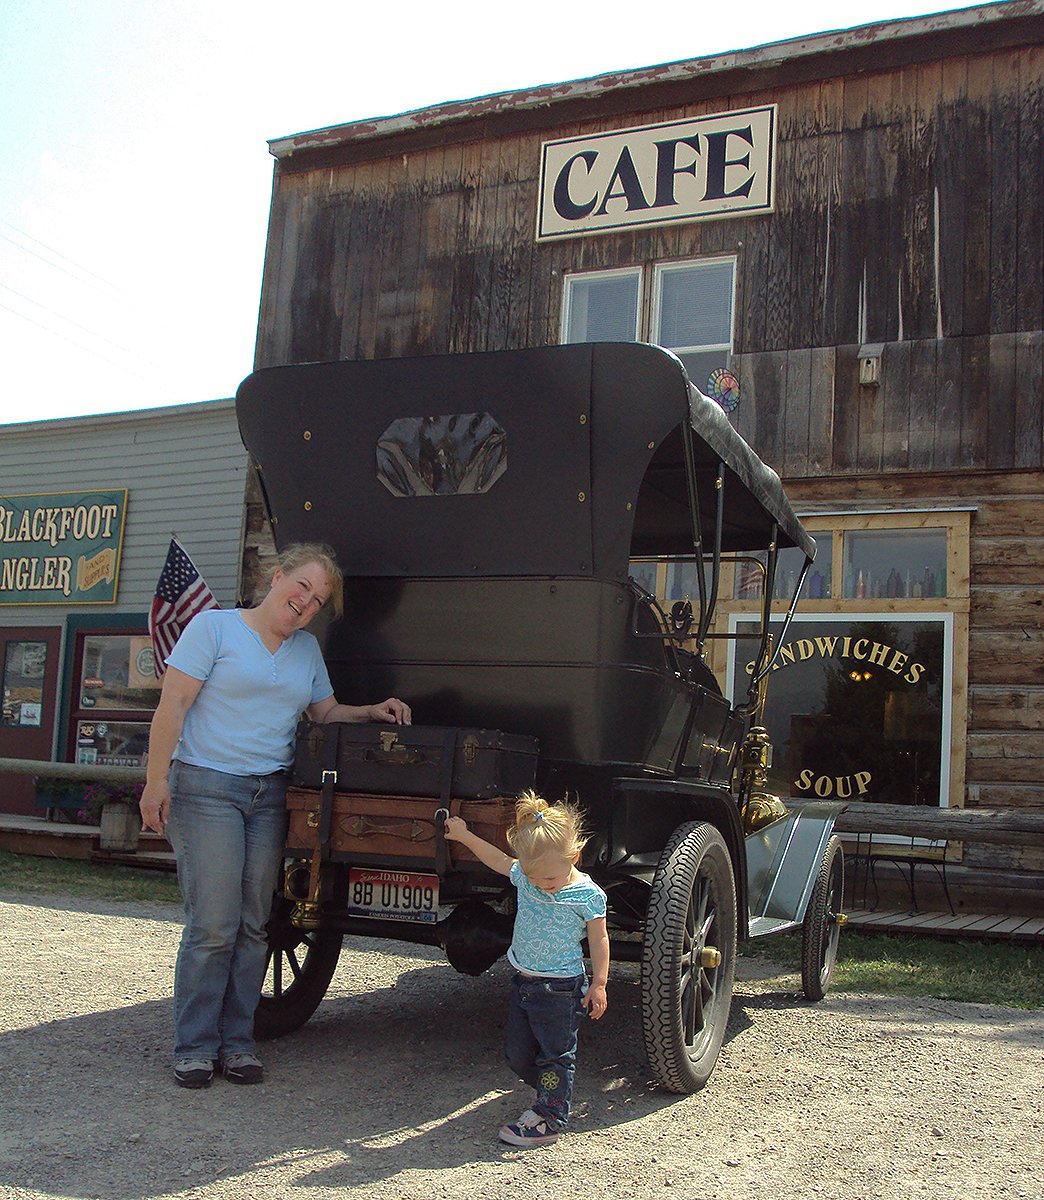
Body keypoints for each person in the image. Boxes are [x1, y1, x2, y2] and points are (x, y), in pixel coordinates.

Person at [139, 542, 411, 1089]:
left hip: (269, 795)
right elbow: (173, 706)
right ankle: (195, 1046)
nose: (306, 602)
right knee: (213, 924)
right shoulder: (213, 628)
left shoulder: (305, 650)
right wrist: (155, 780)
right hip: (207, 788)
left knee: (253, 924)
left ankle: (238, 1043)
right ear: (277, 577)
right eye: (302, 587)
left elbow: (325, 712)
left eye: (318, 600)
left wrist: (371, 711)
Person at [443, 792, 609, 1147]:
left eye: (550, 879)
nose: (543, 885)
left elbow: (599, 939)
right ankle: (554, 1091)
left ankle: (549, 1116)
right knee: (517, 1056)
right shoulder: (526, 875)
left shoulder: (588, 895)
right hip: (524, 983)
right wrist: (464, 835)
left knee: (555, 1056)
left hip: (561, 991)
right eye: (534, 879)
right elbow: (497, 858)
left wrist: (599, 983)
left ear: (574, 857)